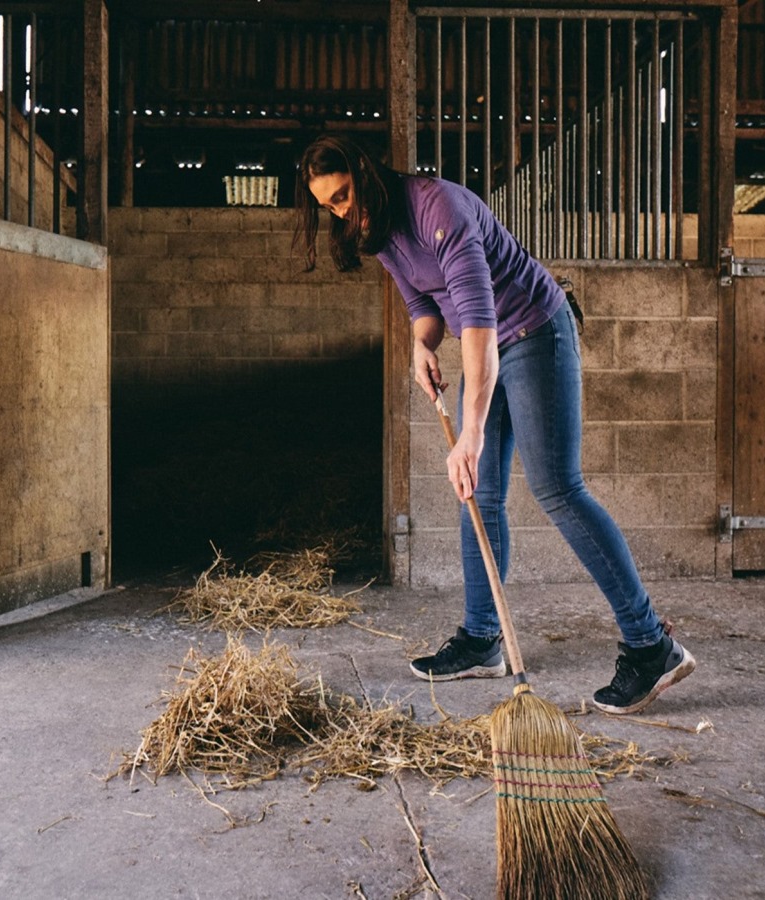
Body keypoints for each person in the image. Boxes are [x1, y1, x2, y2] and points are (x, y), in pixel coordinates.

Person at [293, 134, 696, 715]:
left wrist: (472, 434)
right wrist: (420, 349)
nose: (343, 211)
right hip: (491, 345)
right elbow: (423, 308)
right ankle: (484, 640)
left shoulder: (438, 208)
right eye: (330, 204)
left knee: (557, 487)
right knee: (478, 492)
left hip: (535, 331)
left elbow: (480, 328)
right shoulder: (375, 230)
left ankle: (651, 644)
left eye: (346, 194)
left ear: (364, 172)